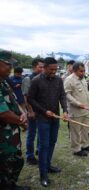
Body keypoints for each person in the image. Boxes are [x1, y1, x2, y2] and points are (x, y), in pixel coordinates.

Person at [27, 57, 68, 187]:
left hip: (55, 117)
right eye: (51, 69)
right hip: (43, 118)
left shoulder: (58, 80)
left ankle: (48, 165)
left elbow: (62, 95)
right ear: (44, 68)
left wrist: (65, 110)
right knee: (43, 146)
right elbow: (31, 99)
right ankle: (43, 174)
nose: (54, 72)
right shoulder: (36, 81)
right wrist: (44, 111)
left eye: (56, 69)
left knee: (52, 142)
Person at [0, 50, 30, 190]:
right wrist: (21, 120)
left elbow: (14, 102)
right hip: (3, 135)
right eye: (8, 64)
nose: (10, 68)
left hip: (11, 132)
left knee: (15, 160)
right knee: (4, 163)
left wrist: (22, 114)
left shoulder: (4, 82)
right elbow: (3, 114)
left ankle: (11, 185)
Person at [64, 63, 89, 157]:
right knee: (75, 131)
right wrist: (78, 104)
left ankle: (84, 145)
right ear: (75, 70)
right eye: (81, 71)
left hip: (85, 109)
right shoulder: (69, 80)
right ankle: (76, 149)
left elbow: (85, 93)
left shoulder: (83, 79)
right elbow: (67, 95)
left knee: (85, 128)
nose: (83, 73)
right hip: (75, 110)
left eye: (84, 71)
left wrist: (88, 104)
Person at [22, 58, 44, 165]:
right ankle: (29, 156)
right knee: (31, 134)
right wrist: (30, 111)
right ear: (34, 67)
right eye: (40, 67)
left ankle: (39, 150)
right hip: (32, 111)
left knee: (41, 132)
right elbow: (26, 97)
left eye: (43, 67)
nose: (42, 69)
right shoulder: (28, 79)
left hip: (41, 111)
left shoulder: (42, 78)